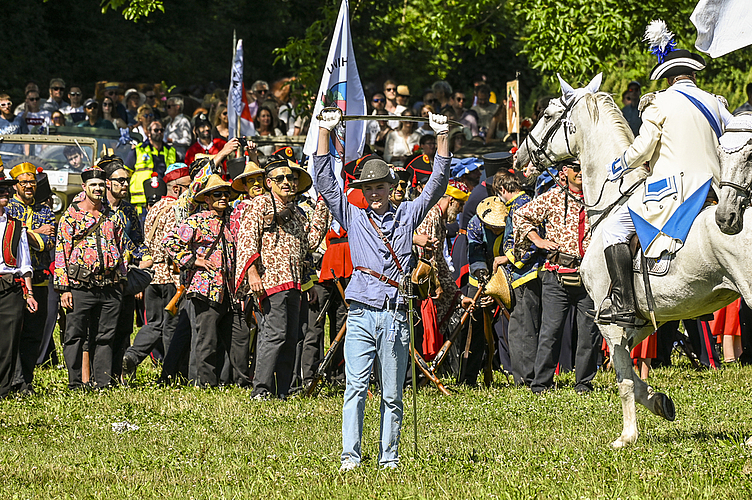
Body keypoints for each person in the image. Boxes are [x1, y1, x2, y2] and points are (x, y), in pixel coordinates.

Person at [313, 109, 450, 471]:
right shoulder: (352, 215)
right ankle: (350, 457)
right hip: (360, 313)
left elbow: (438, 183)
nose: (374, 193)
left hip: (395, 312)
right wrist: (325, 131)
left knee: (392, 393)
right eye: (368, 188)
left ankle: (389, 457)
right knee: (354, 389)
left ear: (392, 186)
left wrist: (442, 137)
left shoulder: (408, 214)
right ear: (361, 191)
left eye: (380, 186)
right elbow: (325, 181)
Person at [598, 44, 733, 327]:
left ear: (669, 78)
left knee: (612, 229)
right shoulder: (716, 102)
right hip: (715, 190)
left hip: (674, 192)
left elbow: (643, 149)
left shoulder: (658, 102)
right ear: (692, 75)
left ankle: (622, 303)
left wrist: (617, 166)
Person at [234, 154, 328, 399]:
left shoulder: (297, 213)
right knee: (274, 335)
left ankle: (282, 391)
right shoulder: (260, 204)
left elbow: (310, 243)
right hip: (271, 281)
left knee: (290, 338)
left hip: (295, 282)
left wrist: (325, 204)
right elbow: (246, 239)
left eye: (291, 178)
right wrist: (252, 272)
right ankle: (261, 390)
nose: (287, 182)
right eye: (281, 178)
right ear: (269, 182)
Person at [514, 159, 601, 394]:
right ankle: (541, 384)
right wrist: (538, 241)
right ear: (565, 171)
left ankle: (584, 383)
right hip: (556, 275)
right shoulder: (552, 197)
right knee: (550, 332)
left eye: (584, 166)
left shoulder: (598, 196)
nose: (581, 172)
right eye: (576, 168)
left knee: (589, 334)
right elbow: (520, 216)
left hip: (589, 275)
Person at [163, 174, 251, 388]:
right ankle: (204, 384)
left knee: (240, 337)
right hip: (205, 288)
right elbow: (170, 242)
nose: (223, 198)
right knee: (206, 340)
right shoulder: (196, 220)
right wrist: (194, 261)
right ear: (207, 199)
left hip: (231, 291)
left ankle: (242, 383)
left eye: (226, 194)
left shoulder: (233, 219)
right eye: (217, 194)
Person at [54, 166, 127, 389]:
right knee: (75, 336)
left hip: (109, 286)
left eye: (100, 185)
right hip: (79, 286)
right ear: (84, 187)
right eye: (92, 185)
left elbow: (122, 248)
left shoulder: (113, 216)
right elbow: (61, 252)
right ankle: (76, 383)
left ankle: (102, 383)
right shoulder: (71, 216)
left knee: (105, 336)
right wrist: (63, 288)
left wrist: (122, 280)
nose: (97, 189)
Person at [123, 163, 190, 381]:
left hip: (152, 276)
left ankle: (132, 356)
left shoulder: (154, 209)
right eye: (188, 187)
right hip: (170, 275)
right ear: (178, 189)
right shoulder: (176, 210)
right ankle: (171, 374)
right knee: (172, 326)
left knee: (153, 324)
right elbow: (174, 245)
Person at [98, 156, 152, 383]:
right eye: (120, 181)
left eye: (127, 181)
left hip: (126, 276)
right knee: (102, 330)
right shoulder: (96, 208)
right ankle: (100, 375)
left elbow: (138, 243)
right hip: (101, 278)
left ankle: (118, 374)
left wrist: (145, 261)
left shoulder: (129, 211)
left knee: (123, 328)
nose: (125, 185)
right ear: (107, 183)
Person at [6, 163, 54, 395]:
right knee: (13, 333)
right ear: (16, 185)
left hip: (40, 280)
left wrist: (25, 233)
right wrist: (32, 233)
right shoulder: (9, 208)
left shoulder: (45, 210)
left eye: (32, 183)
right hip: (15, 281)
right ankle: (11, 380)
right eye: (24, 183)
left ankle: (26, 381)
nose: (29, 187)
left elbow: (49, 243)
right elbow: (13, 239)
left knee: (35, 332)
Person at [494, 171, 545, 386]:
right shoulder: (528, 201)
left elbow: (533, 242)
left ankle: (526, 377)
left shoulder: (520, 207)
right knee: (522, 326)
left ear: (502, 190)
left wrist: (508, 259)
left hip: (526, 274)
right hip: (527, 274)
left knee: (522, 329)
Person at [415, 179, 473, 361]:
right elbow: (425, 257)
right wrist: (437, 285)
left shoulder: (439, 219)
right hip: (421, 288)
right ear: (451, 201)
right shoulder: (431, 215)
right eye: (460, 205)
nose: (461, 210)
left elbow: (439, 261)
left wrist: (458, 296)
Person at [0, 175, 36, 399]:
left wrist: (29, 293)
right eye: (0, 190)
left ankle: (2, 390)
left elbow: (24, 263)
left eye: (5, 190)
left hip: (11, 287)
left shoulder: (16, 225)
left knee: (8, 341)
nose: (5, 193)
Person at [125, 120, 177, 212]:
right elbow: (126, 174)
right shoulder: (138, 150)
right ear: (149, 133)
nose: (159, 132)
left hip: (164, 202)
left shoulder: (171, 151)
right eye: (156, 130)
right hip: (141, 203)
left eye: (161, 130)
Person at [164, 96, 192, 160]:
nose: (167, 109)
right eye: (166, 107)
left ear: (177, 107)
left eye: (169, 106)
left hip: (179, 156)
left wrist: (172, 140)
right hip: (168, 155)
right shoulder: (168, 124)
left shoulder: (184, 121)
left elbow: (187, 141)